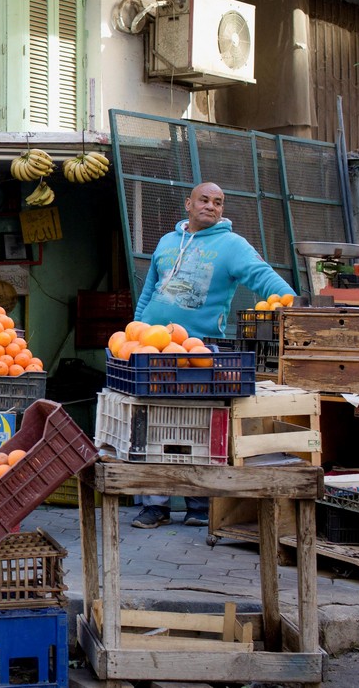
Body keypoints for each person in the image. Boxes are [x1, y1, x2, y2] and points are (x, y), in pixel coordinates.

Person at [130, 181, 295, 529]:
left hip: (200, 348)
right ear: (188, 204)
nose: (211, 206)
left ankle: (199, 505)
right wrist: (134, 333)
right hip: (152, 349)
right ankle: (155, 505)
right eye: (204, 200)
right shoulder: (167, 242)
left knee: (198, 428)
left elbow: (263, 277)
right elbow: (148, 293)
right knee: (154, 428)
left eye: (218, 202)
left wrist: (294, 304)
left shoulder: (232, 245)